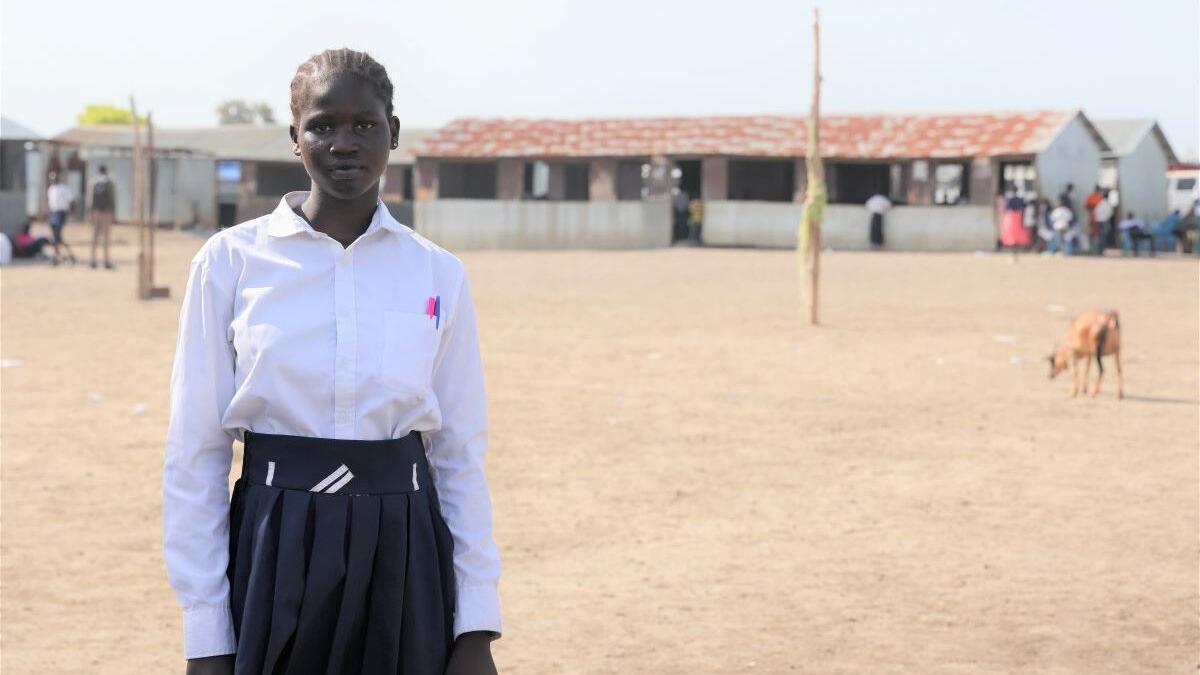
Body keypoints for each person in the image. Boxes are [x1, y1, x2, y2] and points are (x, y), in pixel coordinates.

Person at [163, 49, 501, 675]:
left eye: (365, 125)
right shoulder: (231, 263)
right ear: (296, 138)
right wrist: (205, 634)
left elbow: (459, 452)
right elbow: (195, 451)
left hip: (404, 551)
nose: (344, 143)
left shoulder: (436, 273)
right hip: (274, 542)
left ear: (393, 134)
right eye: (322, 124)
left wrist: (475, 624)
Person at [46, 172, 78, 264]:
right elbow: (50, 203)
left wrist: (72, 213)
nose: (53, 180)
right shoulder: (50, 189)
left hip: (61, 213)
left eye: (54, 178)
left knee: (57, 236)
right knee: (55, 237)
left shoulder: (64, 188)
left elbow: (71, 201)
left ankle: (60, 257)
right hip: (53, 213)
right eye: (51, 178)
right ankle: (59, 256)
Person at [88, 164, 116, 269]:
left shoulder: (93, 182)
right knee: (106, 237)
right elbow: (112, 198)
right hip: (107, 212)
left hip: (95, 212)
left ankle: (93, 260)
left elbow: (90, 199)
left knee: (94, 237)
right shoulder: (110, 182)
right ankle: (106, 261)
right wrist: (113, 213)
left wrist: (89, 213)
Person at [1084, 185, 1105, 255]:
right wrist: (1093, 208)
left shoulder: (1101, 198)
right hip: (1092, 219)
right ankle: (1092, 250)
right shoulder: (1090, 197)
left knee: (1100, 236)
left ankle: (1099, 251)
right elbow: (1087, 206)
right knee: (1091, 235)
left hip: (1100, 220)